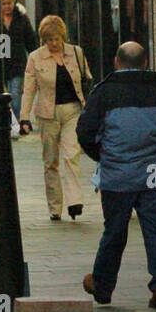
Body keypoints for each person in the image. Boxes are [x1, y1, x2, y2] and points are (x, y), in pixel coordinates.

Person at [77, 42, 156, 309]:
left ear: (117, 62)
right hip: (153, 172)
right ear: (145, 63)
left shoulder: (104, 93)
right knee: (155, 228)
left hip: (118, 174)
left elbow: (85, 132)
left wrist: (103, 155)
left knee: (114, 229)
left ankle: (102, 284)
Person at [20, 15, 92, 220]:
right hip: (47, 114)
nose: (53, 43)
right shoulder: (35, 58)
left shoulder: (76, 53)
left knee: (71, 155)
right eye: (49, 39)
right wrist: (24, 118)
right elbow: (29, 90)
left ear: (63, 36)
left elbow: (87, 80)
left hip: (73, 111)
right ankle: (55, 207)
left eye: (57, 39)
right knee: (50, 161)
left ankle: (74, 201)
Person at [1, 0, 40, 129]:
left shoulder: (21, 18)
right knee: (6, 97)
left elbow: (30, 39)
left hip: (18, 63)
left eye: (9, 3)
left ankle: (18, 123)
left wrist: (36, 58)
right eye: (4, 3)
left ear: (14, 2)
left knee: (15, 94)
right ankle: (14, 123)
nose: (7, 6)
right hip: (2, 64)